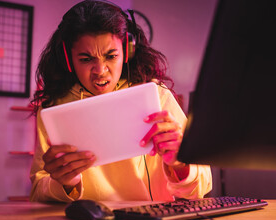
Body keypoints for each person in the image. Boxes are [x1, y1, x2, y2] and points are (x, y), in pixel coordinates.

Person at [30, 0, 212, 202]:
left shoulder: (158, 97)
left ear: (127, 51)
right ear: (67, 58)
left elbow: (201, 189)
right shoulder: (54, 108)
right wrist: (65, 183)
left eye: (111, 56)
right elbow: (38, 191)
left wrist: (180, 165)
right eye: (86, 59)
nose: (100, 71)